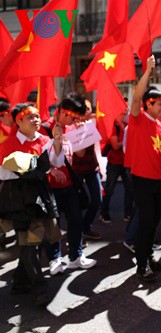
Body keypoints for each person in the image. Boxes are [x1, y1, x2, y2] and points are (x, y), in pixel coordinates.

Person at [0, 104, 64, 305]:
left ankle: (19, 281)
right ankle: (40, 289)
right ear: (18, 121)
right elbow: (1, 173)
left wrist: (57, 140)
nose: (36, 120)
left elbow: (57, 161)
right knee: (28, 244)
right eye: (30, 117)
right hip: (19, 201)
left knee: (34, 242)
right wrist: (26, 170)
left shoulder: (44, 140)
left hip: (40, 198)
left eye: (37, 116)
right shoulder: (7, 144)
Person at [129, 55, 161, 282]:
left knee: (154, 222)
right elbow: (137, 95)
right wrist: (147, 70)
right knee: (145, 223)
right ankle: (141, 266)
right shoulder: (138, 118)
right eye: (160, 103)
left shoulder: (160, 126)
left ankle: (149, 258)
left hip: (158, 181)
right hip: (141, 180)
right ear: (148, 104)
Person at [42, 94, 97, 274]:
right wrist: (51, 170)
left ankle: (75, 256)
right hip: (49, 185)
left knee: (76, 220)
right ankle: (54, 258)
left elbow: (80, 154)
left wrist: (80, 132)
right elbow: (38, 158)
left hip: (70, 183)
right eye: (71, 117)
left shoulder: (71, 127)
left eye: (76, 118)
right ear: (60, 112)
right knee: (53, 224)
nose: (73, 120)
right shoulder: (44, 128)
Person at [72, 99, 102, 241]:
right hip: (77, 169)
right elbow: (80, 153)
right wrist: (81, 132)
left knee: (97, 200)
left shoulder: (90, 125)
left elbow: (93, 148)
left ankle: (86, 226)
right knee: (77, 204)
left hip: (91, 168)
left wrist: (99, 165)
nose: (89, 112)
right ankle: (78, 234)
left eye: (90, 109)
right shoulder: (73, 127)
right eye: (87, 110)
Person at [99, 108, 133, 224]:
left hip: (126, 162)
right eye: (123, 111)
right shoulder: (113, 126)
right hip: (114, 162)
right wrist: (127, 141)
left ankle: (128, 214)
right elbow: (115, 146)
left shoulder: (128, 125)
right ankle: (104, 213)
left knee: (129, 189)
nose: (126, 112)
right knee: (109, 189)